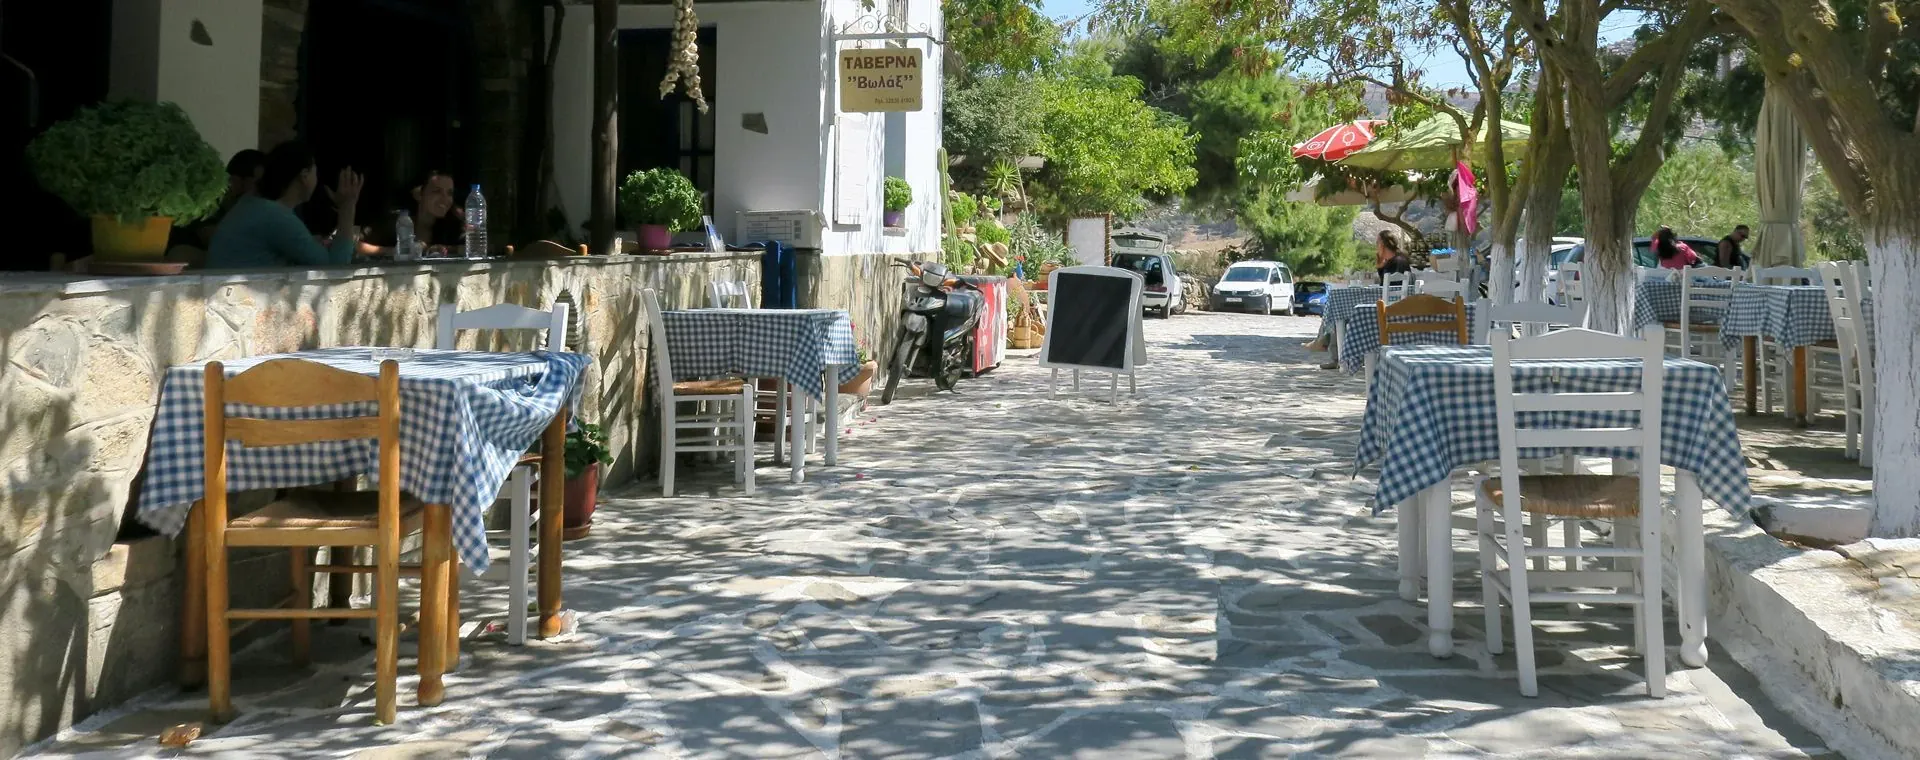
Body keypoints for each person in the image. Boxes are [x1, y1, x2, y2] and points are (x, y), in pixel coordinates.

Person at [207, 141, 363, 269]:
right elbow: (334, 270)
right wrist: (348, 206)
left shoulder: (252, 204)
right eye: (315, 172)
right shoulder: (274, 215)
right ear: (304, 176)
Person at [364, 170, 465, 256]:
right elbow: (357, 246)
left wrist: (447, 249)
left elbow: (474, 247)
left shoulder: (453, 224)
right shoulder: (398, 222)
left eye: (449, 193)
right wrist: (395, 251)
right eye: (437, 191)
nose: (445, 199)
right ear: (418, 195)